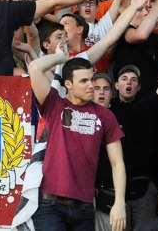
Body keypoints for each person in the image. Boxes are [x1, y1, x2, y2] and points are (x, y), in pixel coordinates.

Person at [29, 50, 126, 231]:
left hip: (85, 206)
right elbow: (34, 68)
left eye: (91, 79)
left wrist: (119, 202)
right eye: (83, 81)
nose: (91, 86)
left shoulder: (105, 115)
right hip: (50, 205)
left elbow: (117, 162)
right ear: (68, 84)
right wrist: (61, 58)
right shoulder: (54, 104)